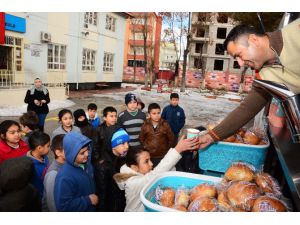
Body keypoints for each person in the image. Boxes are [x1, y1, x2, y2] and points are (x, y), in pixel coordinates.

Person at [198, 19, 300, 149]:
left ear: (254, 40)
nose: (240, 64)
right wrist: (211, 136)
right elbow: (247, 109)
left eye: (239, 55)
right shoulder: (264, 77)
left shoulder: (295, 32)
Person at [114, 135, 199, 212]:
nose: (151, 164)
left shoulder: (140, 173)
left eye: (150, 159)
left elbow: (164, 172)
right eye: (146, 161)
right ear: (134, 167)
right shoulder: (133, 183)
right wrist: (178, 149)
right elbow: (157, 173)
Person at [54, 132, 98, 212]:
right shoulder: (64, 177)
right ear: (71, 154)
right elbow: (63, 207)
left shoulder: (87, 164)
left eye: (87, 149)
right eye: (82, 153)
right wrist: (88, 200)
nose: (87, 154)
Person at [93, 127, 129, 212]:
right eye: (123, 143)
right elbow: (102, 196)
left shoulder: (123, 158)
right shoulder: (103, 167)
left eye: (128, 142)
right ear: (113, 146)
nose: (127, 146)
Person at [140, 103, 175, 167]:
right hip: (150, 155)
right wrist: (146, 147)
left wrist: (166, 149)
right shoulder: (145, 125)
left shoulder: (165, 124)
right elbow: (141, 138)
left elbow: (171, 139)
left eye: (158, 113)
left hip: (162, 155)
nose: (157, 115)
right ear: (149, 114)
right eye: (154, 113)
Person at [42, 134, 65, 212]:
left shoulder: (68, 165)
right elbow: (52, 204)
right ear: (58, 153)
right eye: (69, 148)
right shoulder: (53, 174)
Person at [26, 130, 50, 198]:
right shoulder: (28, 165)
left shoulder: (44, 156)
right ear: (39, 148)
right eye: (48, 146)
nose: (49, 148)